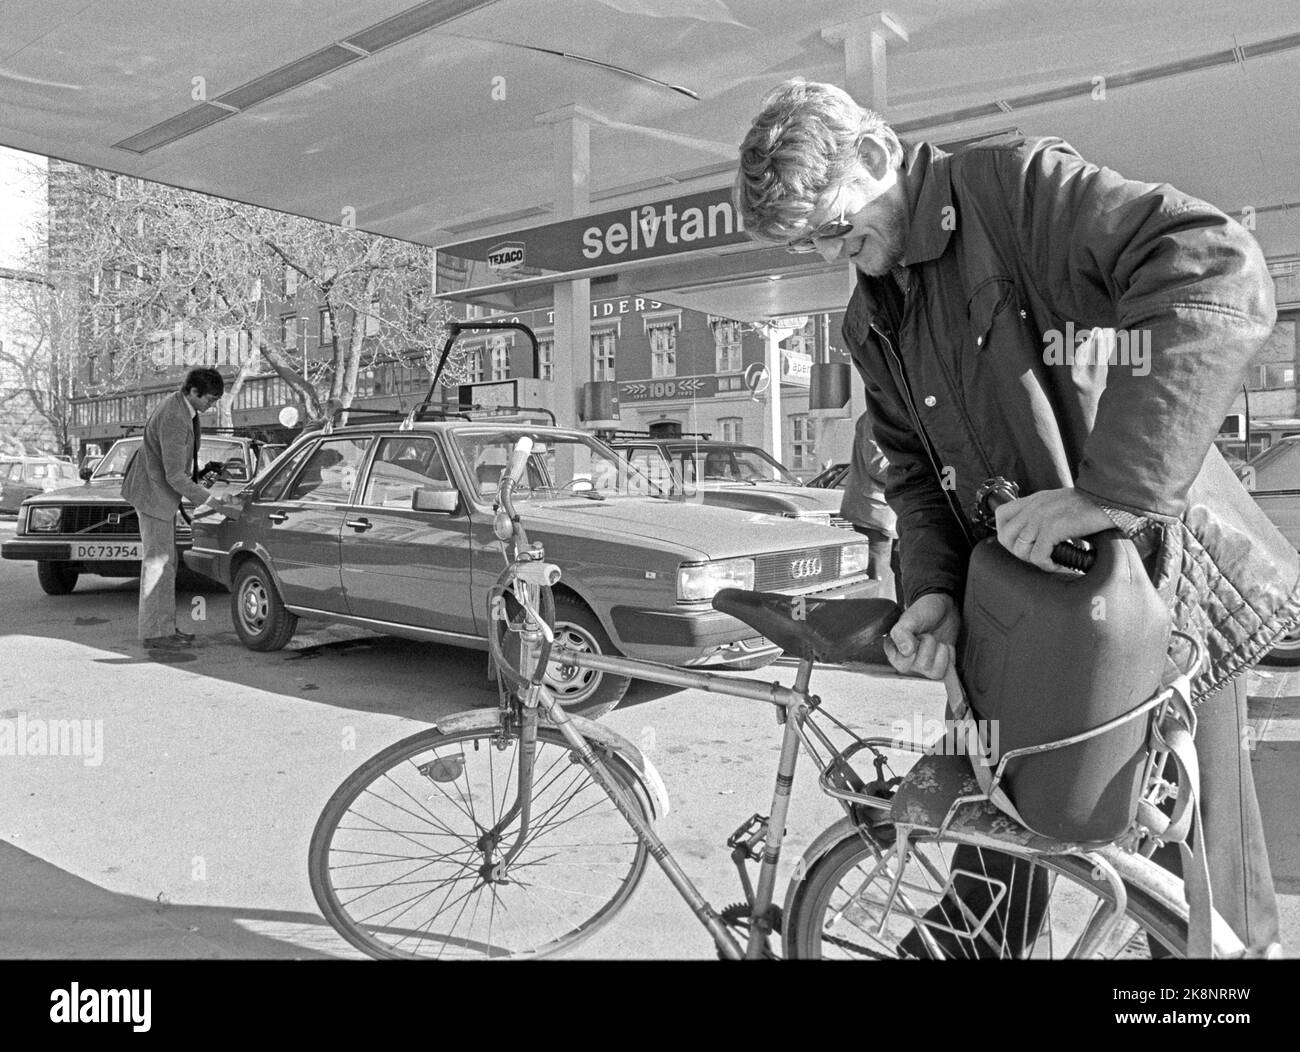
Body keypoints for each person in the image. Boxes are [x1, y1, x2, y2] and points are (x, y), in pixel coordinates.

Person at [735, 79, 1300, 954]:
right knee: (984, 841)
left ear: (880, 157)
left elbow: (1210, 265)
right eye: (811, 242)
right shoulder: (867, 320)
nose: (832, 253)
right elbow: (913, 476)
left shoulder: (1015, 191)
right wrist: (931, 592)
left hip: (1152, 596)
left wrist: (1111, 490)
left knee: (1198, 882)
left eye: (838, 227)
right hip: (1017, 610)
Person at [122, 367, 234, 651]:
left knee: (165, 564)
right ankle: (156, 634)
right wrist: (211, 501)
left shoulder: (180, 406)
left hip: (156, 493)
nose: (212, 406)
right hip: (153, 495)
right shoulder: (175, 416)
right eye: (210, 399)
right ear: (194, 392)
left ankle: (163, 628)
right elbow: (175, 475)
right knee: (158, 564)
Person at [841, 411, 899, 602]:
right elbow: (878, 466)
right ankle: (881, 621)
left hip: (883, 511)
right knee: (879, 576)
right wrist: (914, 470)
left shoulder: (883, 416)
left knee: (889, 572)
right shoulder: (874, 418)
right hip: (875, 512)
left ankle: (890, 614)